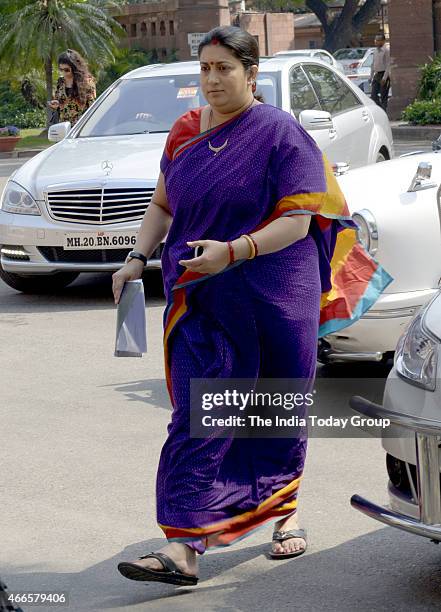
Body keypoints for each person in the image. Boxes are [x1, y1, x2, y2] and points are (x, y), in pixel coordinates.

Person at [113, 26, 392, 586]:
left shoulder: (279, 133)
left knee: (268, 413)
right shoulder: (185, 132)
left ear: (251, 73)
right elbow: (164, 204)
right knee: (196, 414)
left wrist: (235, 251)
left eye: (224, 69)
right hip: (199, 296)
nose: (212, 80)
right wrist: (135, 258)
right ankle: (184, 547)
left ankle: (282, 513)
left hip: (271, 296)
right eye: (205, 69)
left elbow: (299, 218)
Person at [49, 49, 96, 126]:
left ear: (74, 67)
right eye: (61, 69)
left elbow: (92, 107)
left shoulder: (87, 82)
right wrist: (56, 104)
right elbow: (60, 101)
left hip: (80, 127)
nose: (63, 73)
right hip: (63, 127)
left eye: (67, 70)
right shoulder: (60, 81)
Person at [370, 33, 391, 111]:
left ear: (383, 41)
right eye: (375, 40)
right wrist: (371, 76)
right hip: (377, 75)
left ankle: (384, 111)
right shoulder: (375, 51)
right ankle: (381, 109)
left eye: (378, 40)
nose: (376, 42)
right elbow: (373, 64)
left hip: (384, 74)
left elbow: (388, 64)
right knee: (373, 96)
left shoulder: (386, 50)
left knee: (383, 96)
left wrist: (385, 78)